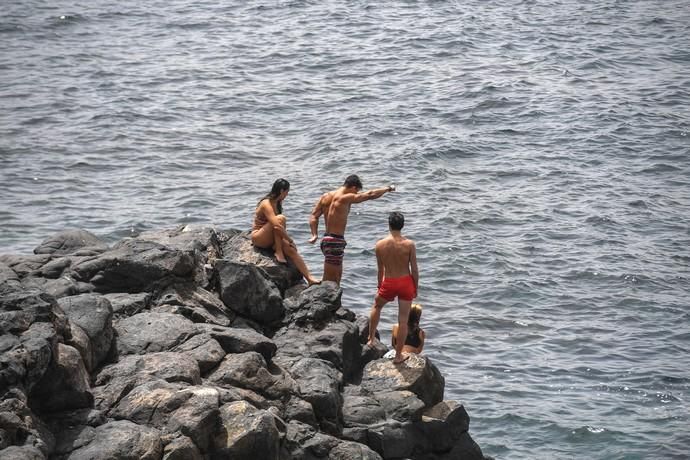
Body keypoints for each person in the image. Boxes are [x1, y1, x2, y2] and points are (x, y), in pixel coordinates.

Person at [312, 175, 395, 284]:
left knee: (336, 279)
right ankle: (320, 298)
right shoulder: (344, 198)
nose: (355, 195)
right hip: (334, 241)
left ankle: (329, 298)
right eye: (356, 192)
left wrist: (314, 234)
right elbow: (370, 194)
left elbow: (313, 216)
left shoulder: (327, 196)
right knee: (329, 280)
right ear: (353, 188)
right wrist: (388, 188)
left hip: (328, 239)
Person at [367, 211, 418, 364]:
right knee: (403, 321)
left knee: (377, 306)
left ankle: (370, 339)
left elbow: (380, 270)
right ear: (402, 226)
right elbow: (414, 269)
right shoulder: (409, 244)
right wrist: (415, 286)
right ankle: (398, 356)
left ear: (389, 225)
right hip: (405, 282)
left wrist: (379, 285)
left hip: (389, 281)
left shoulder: (380, 245)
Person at [251, 178, 319, 286]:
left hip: (271, 237)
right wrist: (289, 239)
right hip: (259, 237)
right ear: (282, 191)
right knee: (280, 219)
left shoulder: (277, 203)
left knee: (291, 250)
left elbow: (279, 229)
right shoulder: (266, 203)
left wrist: (288, 243)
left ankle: (309, 278)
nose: (287, 195)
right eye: (287, 192)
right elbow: (277, 225)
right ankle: (278, 251)